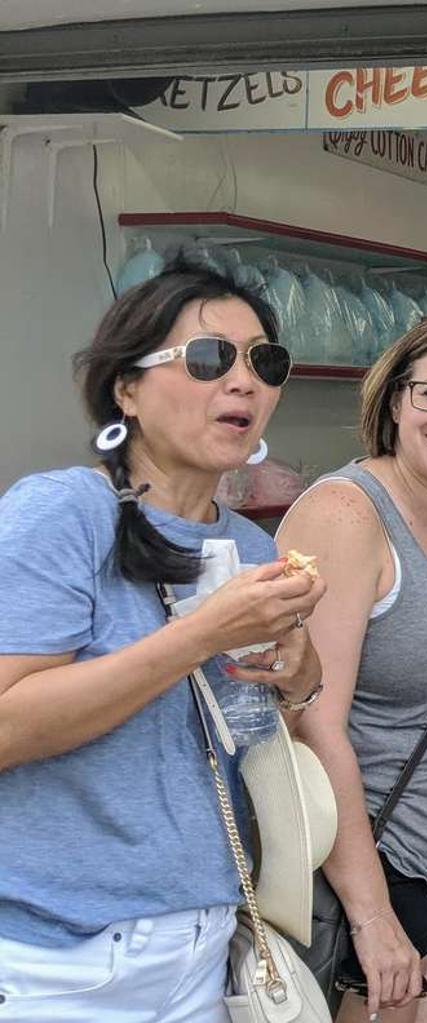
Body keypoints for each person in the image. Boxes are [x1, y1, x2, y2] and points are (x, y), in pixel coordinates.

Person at [0, 263, 325, 1020]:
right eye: (211, 358)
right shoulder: (62, 513)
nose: (244, 382)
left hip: (206, 950)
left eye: (264, 360)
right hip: (57, 960)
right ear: (127, 389)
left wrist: (296, 679)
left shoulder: (248, 546)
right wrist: (202, 635)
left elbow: (237, 751)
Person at [277, 317, 427, 1023]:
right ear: (394, 400)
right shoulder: (347, 514)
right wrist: (370, 911)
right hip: (366, 861)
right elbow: (311, 720)